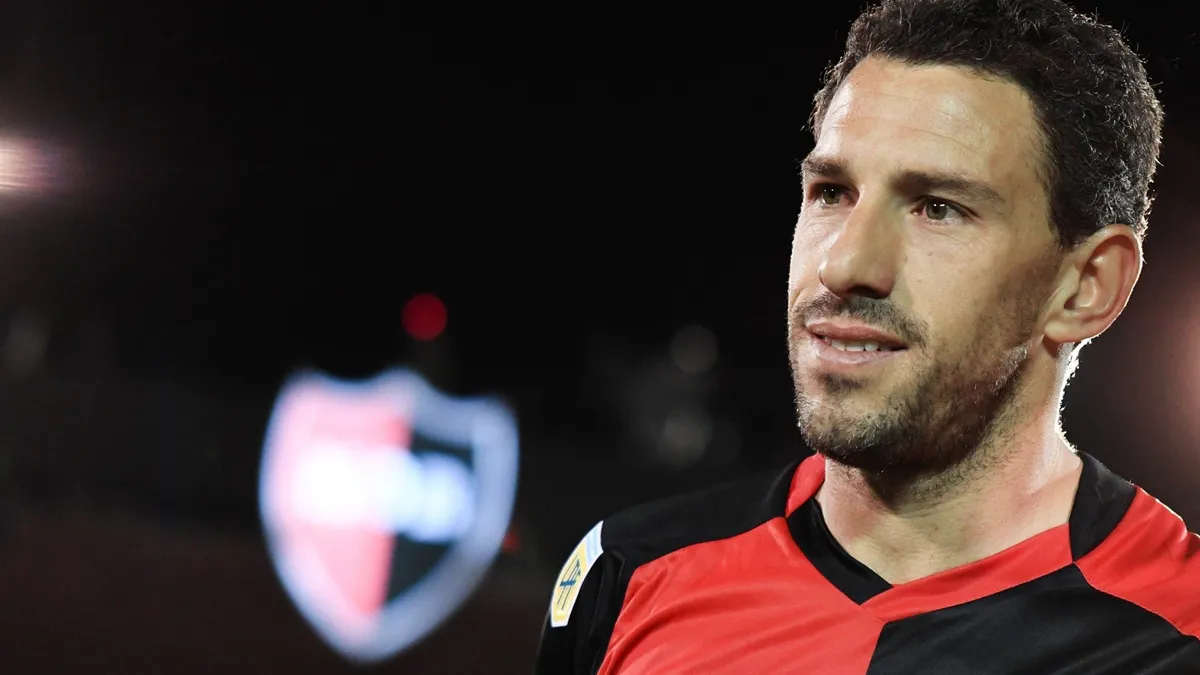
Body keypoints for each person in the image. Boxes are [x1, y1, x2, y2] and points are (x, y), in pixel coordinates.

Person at [534, 0, 1200, 673]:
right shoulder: (632, 573)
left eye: (938, 208)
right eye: (831, 192)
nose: (844, 264)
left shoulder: (1175, 634)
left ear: (1086, 286)